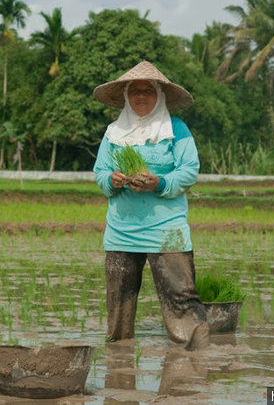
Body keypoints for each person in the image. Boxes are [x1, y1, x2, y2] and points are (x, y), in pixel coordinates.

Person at [92, 60, 209, 350]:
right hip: (122, 230)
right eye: (135, 91)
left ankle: (193, 365)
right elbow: (99, 172)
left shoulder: (176, 130)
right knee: (118, 305)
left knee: (181, 298)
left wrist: (159, 183)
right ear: (126, 97)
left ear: (160, 96)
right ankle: (118, 367)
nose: (141, 96)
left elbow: (189, 169)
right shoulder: (113, 133)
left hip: (167, 230)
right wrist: (113, 180)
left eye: (148, 90)